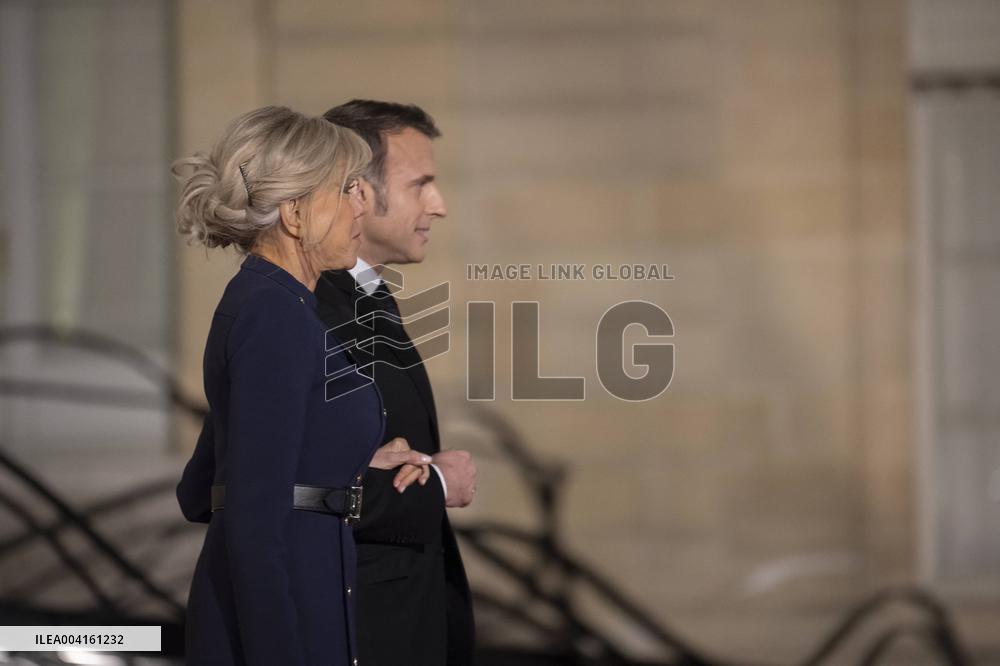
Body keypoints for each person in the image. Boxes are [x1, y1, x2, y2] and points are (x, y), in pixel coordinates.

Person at [173, 106, 430, 666]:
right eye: (347, 189)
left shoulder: (272, 302)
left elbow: (202, 486)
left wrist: (343, 461)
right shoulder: (276, 316)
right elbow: (252, 518)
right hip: (283, 617)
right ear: (294, 213)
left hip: (304, 591)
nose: (361, 206)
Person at [317, 100, 476, 666]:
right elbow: (276, 486)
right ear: (359, 192)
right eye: (420, 184)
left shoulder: (369, 296)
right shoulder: (309, 308)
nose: (439, 205)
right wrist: (438, 481)